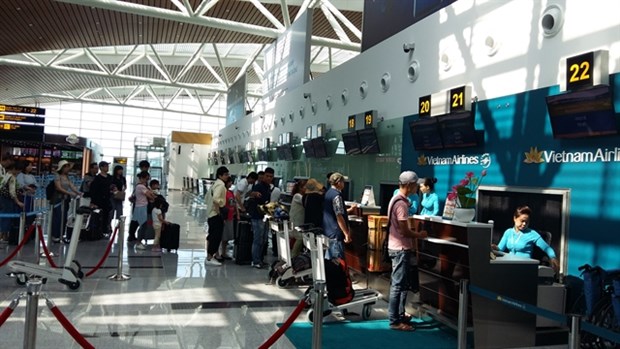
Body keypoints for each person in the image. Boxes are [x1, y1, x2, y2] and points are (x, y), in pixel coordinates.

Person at [387, 171, 428, 331]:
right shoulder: (401, 204)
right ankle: (394, 321)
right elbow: (404, 231)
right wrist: (420, 235)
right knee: (398, 285)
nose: (417, 186)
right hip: (400, 249)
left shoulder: (395, 199)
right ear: (410, 185)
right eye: (416, 184)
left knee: (401, 284)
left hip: (396, 247)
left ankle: (399, 314)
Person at [493, 206, 559, 272]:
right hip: (509, 265)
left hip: (524, 267)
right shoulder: (508, 232)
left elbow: (546, 248)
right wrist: (493, 247)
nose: (524, 224)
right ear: (515, 218)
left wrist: (553, 257)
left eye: (527, 222)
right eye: (522, 221)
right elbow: (500, 249)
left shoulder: (532, 234)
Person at [322, 172, 356, 260]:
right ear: (339, 183)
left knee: (329, 262)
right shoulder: (337, 196)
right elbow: (339, 216)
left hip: (328, 231)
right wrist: (346, 233)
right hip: (336, 233)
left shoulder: (328, 193)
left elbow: (334, 212)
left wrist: (349, 210)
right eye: (343, 182)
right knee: (337, 263)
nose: (344, 184)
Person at [247, 167, 274, 269]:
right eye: (267, 176)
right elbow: (251, 195)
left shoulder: (268, 187)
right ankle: (255, 261)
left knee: (264, 239)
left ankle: (260, 260)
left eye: (271, 176)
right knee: (257, 239)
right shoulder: (258, 187)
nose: (268, 178)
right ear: (263, 176)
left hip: (264, 216)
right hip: (257, 217)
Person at [205, 166, 230, 266]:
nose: (227, 176)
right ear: (220, 175)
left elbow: (207, 198)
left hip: (211, 213)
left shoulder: (215, 184)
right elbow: (216, 199)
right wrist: (220, 208)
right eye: (226, 174)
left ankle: (210, 256)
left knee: (212, 235)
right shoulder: (221, 186)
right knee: (216, 236)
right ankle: (210, 257)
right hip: (216, 214)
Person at [52, 160, 81, 243]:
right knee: (58, 217)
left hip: (65, 198)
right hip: (58, 198)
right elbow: (58, 187)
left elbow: (71, 186)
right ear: (63, 167)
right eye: (67, 167)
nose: (68, 169)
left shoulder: (66, 176)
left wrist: (79, 192)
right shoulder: (57, 176)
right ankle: (55, 235)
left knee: (64, 217)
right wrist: (69, 193)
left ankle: (61, 234)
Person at [0, 162, 24, 243]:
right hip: (7, 200)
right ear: (14, 169)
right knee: (7, 217)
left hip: (2, 198)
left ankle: (2, 234)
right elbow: (12, 192)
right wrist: (18, 202)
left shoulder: (6, 175)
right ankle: (4, 235)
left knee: (3, 216)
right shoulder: (12, 177)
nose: (18, 173)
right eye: (18, 171)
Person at [89, 161, 114, 236]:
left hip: (107, 199)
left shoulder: (110, 177)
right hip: (99, 200)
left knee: (107, 215)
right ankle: (98, 231)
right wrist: (93, 201)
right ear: (101, 168)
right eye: (106, 166)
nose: (107, 168)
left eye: (107, 166)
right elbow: (93, 190)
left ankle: (105, 230)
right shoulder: (97, 178)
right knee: (99, 216)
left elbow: (112, 186)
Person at [134, 171, 156, 250]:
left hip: (141, 207)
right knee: (143, 226)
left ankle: (139, 241)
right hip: (141, 207)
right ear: (143, 178)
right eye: (147, 179)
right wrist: (152, 195)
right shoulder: (141, 187)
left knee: (144, 225)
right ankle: (138, 242)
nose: (147, 181)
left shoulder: (140, 186)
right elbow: (150, 196)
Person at [219, 177, 238, 260]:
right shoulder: (223, 193)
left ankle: (224, 252)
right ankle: (219, 252)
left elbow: (234, 203)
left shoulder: (231, 192)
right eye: (229, 182)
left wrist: (237, 214)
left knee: (226, 237)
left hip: (230, 216)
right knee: (222, 235)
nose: (231, 184)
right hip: (225, 216)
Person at [288, 179, 307, 257]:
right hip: (296, 221)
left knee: (297, 237)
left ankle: (294, 255)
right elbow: (305, 202)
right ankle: (293, 256)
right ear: (301, 188)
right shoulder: (297, 196)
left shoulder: (300, 196)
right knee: (300, 238)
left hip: (299, 220)